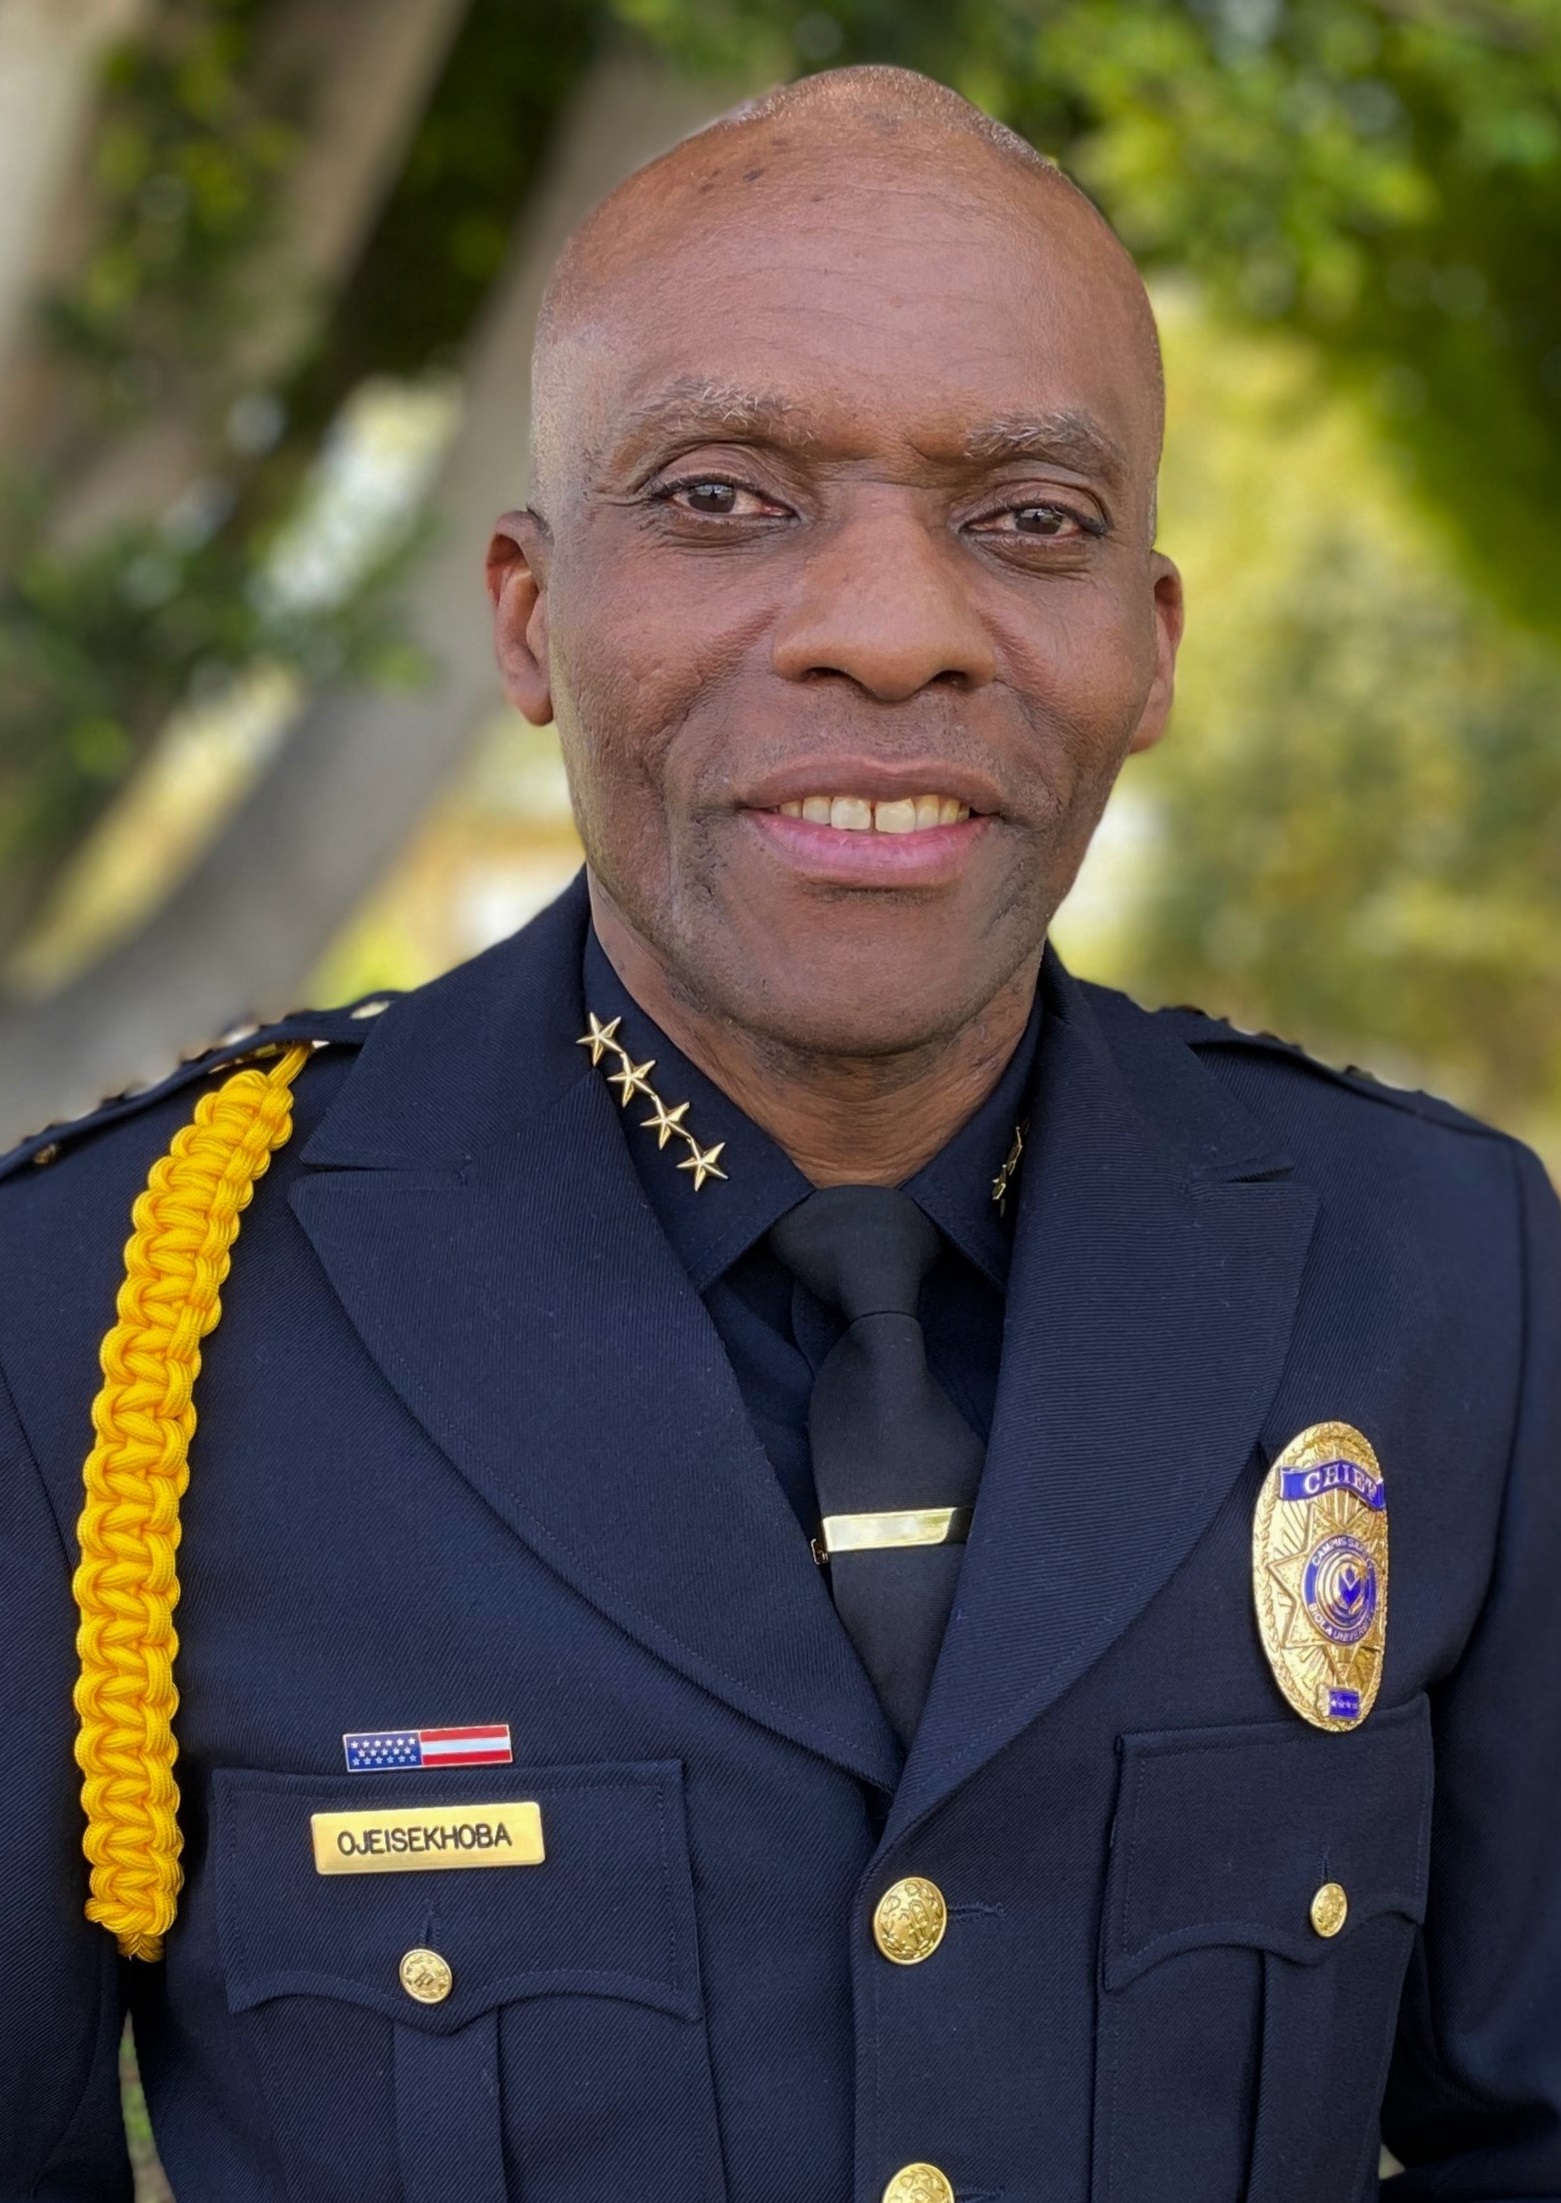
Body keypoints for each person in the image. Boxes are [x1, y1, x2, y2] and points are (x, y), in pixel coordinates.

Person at [1, 63, 1557, 2203]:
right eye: (725, 495)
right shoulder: (95, 1322)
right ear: (533, 620)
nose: (890, 628)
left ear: (1152, 644)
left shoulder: (1446, 1280)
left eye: (1027, 519)